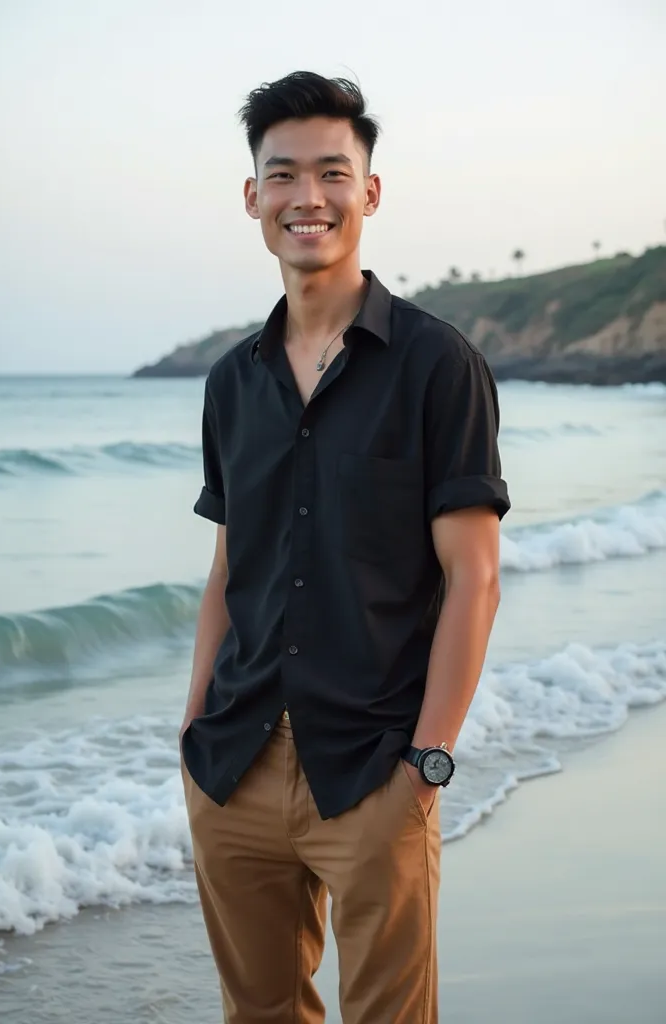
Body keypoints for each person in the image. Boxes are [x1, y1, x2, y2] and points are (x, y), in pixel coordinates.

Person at [179, 70, 510, 1024]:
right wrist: (194, 724)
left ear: (370, 191)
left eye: (333, 172)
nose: (307, 198)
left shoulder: (437, 364)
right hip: (233, 765)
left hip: (374, 768)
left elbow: (474, 579)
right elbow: (228, 570)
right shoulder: (230, 383)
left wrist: (427, 764)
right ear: (254, 197)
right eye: (282, 175)